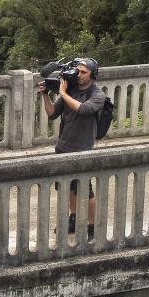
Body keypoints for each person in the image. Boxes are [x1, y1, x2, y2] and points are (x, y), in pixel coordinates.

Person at [38, 58, 106, 236]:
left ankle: (92, 227)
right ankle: (73, 219)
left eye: (84, 72)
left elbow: (83, 109)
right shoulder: (71, 90)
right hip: (63, 146)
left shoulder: (97, 95)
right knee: (68, 187)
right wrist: (45, 95)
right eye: (78, 71)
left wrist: (62, 92)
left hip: (82, 148)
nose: (79, 75)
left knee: (86, 190)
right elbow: (52, 114)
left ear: (93, 74)